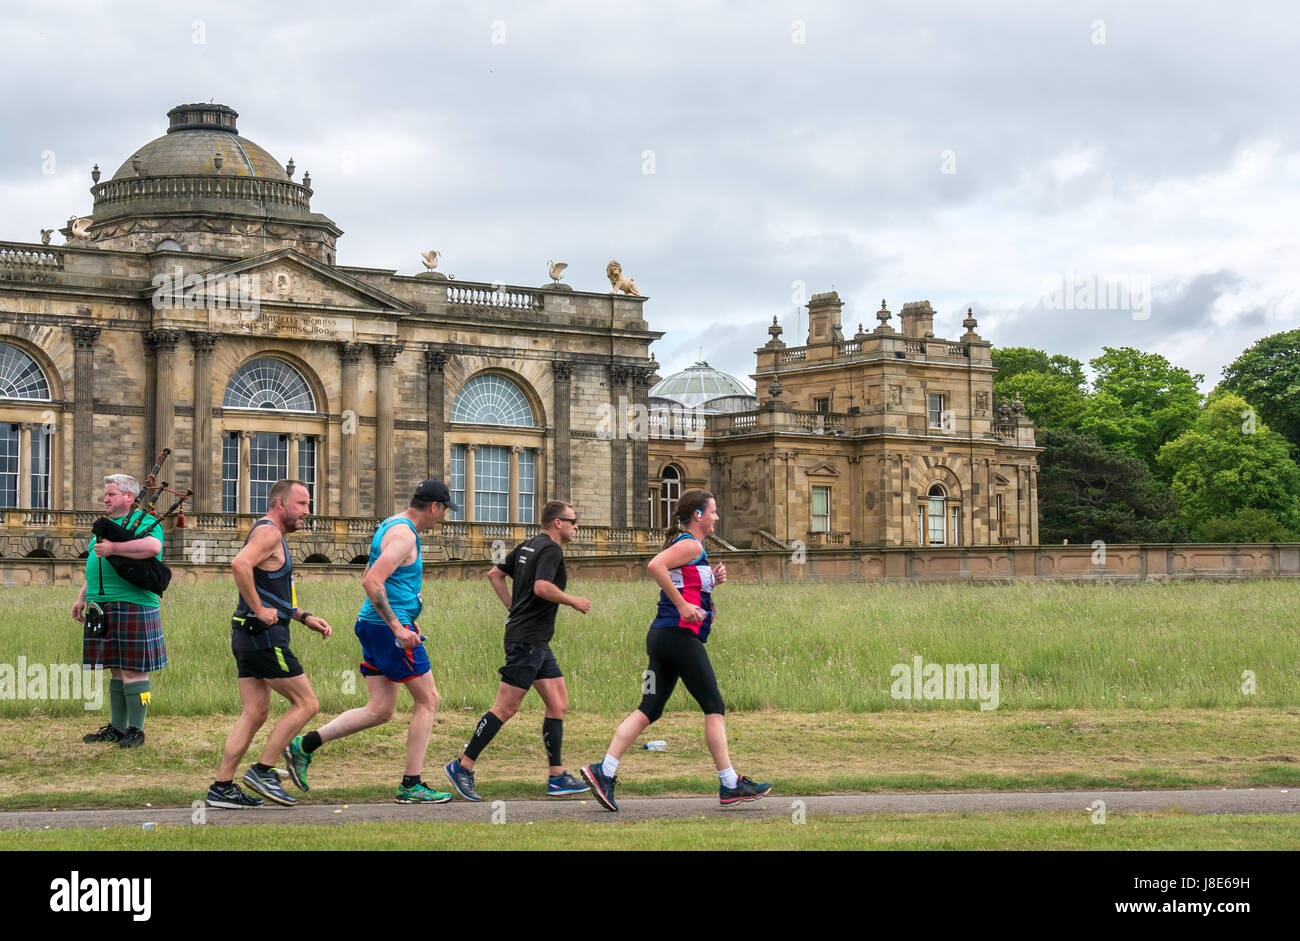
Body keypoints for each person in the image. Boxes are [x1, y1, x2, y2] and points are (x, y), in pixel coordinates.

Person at [580, 489, 771, 810]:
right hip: (680, 637)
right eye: (713, 511)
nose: (716, 517)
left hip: (661, 638)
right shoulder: (691, 544)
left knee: (649, 709)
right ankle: (729, 784)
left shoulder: (687, 546)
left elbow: (684, 581)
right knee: (714, 706)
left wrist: (713, 582)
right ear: (698, 514)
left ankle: (604, 771)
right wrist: (683, 606)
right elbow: (655, 566)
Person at [287, 480, 455, 804]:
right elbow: (371, 579)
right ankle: (411, 785)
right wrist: (397, 625)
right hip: (386, 630)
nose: (443, 517)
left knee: (380, 710)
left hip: (372, 624)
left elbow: (373, 569)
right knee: (429, 699)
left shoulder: (391, 524)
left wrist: (405, 611)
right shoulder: (406, 535)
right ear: (434, 506)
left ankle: (303, 746)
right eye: (444, 510)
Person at [443, 500, 591, 801]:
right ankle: (463, 765)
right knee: (506, 707)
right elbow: (541, 588)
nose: (576, 527)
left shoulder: (527, 545)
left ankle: (557, 776)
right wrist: (573, 600)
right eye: (573, 521)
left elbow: (495, 574)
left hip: (535, 640)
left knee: (558, 703)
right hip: (527, 641)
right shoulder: (551, 549)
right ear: (557, 523)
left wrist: (513, 608)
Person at [205, 479, 332, 809]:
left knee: (254, 713)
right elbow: (239, 565)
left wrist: (304, 617)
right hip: (263, 636)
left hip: (246, 634)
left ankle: (221, 788)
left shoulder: (275, 536)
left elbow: (273, 590)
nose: (308, 510)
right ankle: (263, 771)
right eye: (302, 504)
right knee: (307, 704)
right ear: (281, 505)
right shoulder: (269, 533)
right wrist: (260, 611)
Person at [74, 474, 168, 749]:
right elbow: (97, 564)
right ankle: (116, 727)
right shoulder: (105, 527)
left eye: (111, 493)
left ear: (129, 496)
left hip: (133, 604)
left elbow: (153, 547)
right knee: (115, 670)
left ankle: (136, 730)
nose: (105, 498)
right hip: (100, 605)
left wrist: (114, 546)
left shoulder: (146, 522)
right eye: (105, 494)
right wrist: (82, 598)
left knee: (134, 671)